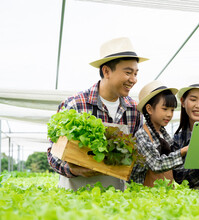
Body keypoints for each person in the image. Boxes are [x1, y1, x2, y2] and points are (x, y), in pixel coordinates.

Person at [47, 37, 148, 191]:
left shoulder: (134, 110)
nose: (133, 80)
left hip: (115, 197)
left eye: (136, 73)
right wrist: (71, 169)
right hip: (74, 197)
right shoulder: (76, 105)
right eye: (128, 73)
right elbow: (53, 152)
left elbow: (137, 154)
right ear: (106, 71)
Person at [130, 81, 188, 187]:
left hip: (163, 194)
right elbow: (156, 165)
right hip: (144, 195)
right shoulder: (142, 135)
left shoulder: (164, 135)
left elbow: (174, 164)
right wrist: (182, 151)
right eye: (165, 109)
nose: (169, 114)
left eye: (172, 110)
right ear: (149, 109)